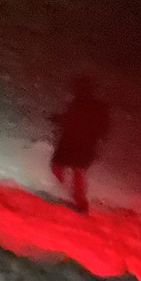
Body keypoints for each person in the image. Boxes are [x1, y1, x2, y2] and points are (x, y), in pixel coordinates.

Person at [49, 76, 110, 213]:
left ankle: (75, 201)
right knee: (74, 173)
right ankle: (75, 200)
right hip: (80, 145)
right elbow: (102, 128)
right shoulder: (91, 105)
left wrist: (58, 119)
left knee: (64, 170)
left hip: (74, 143)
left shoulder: (82, 104)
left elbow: (72, 120)